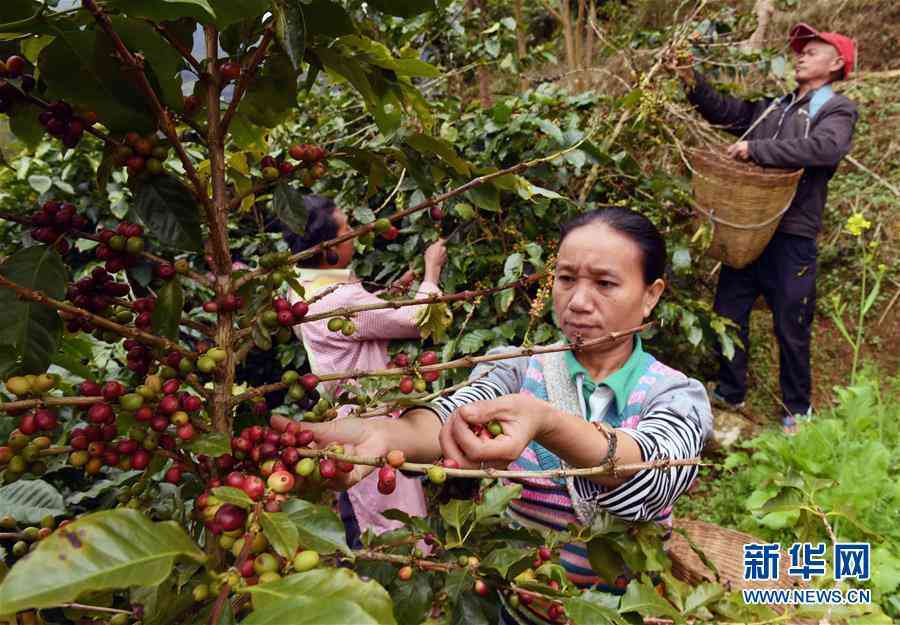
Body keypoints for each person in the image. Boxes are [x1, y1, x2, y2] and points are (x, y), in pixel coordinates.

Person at [286, 208, 713, 623]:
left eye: (605, 283)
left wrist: (546, 422)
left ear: (650, 296)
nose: (578, 301)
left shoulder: (674, 394)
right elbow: (457, 412)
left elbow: (655, 476)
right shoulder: (517, 367)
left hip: (624, 612)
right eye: (565, 279)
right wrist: (388, 435)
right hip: (517, 608)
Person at [669, 24, 858, 433]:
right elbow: (727, 111)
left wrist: (757, 150)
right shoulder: (774, 107)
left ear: (836, 63)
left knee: (791, 321)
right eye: (799, 51)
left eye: (812, 51)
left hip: (793, 233)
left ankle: (797, 410)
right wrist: (690, 79)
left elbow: (825, 149)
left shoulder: (836, 110)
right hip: (749, 230)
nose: (800, 56)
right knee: (728, 312)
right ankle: (730, 391)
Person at [279, 194, 448, 545]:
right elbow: (418, 321)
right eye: (348, 228)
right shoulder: (343, 300)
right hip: (370, 418)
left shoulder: (300, 287)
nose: (355, 233)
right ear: (328, 248)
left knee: (360, 503)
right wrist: (433, 271)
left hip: (342, 413)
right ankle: (394, 581)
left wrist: (395, 291)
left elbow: (358, 322)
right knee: (391, 521)